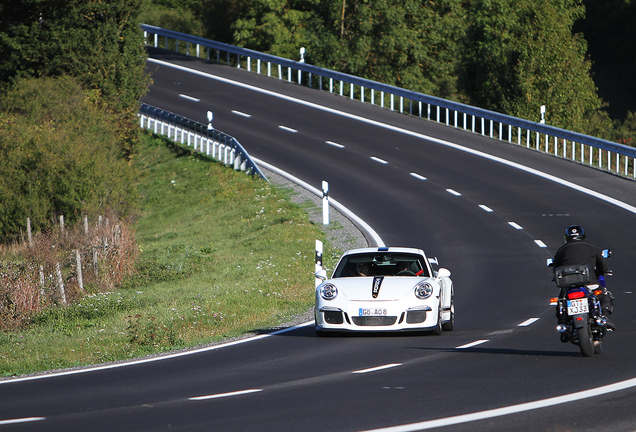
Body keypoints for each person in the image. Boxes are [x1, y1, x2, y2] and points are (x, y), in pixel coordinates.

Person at [553, 225, 615, 330]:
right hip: (590, 282)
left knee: (561, 301)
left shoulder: (561, 250)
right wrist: (605, 271)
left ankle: (563, 322)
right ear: (583, 236)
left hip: (568, 284)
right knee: (605, 294)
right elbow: (602, 262)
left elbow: (555, 267)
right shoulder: (591, 246)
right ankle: (604, 317)